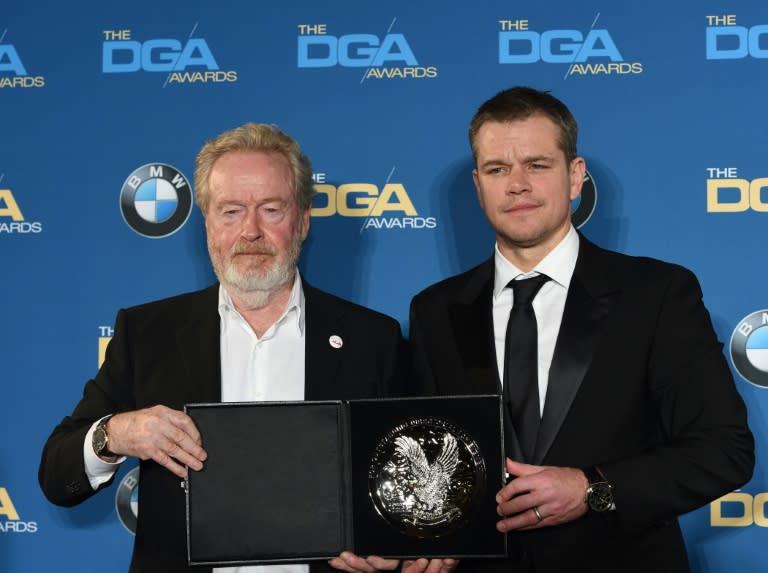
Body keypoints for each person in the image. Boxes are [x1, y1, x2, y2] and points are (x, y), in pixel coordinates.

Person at [408, 87, 754, 572]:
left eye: (537, 164)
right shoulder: (434, 310)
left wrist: (593, 488)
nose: (517, 185)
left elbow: (724, 449)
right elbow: (429, 459)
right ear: (478, 185)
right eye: (497, 169)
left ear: (575, 177)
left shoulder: (656, 294)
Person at [38, 123, 408, 573]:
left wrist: (398, 545)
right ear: (208, 223)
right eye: (231, 211)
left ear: (304, 219)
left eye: (271, 209)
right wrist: (115, 434)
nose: (250, 231)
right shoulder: (146, 333)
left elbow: (411, 484)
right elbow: (57, 477)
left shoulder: (375, 339)